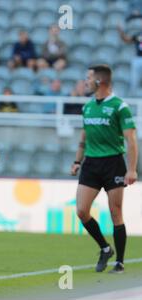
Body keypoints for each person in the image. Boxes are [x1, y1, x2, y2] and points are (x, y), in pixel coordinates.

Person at [71, 65, 138, 274]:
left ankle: (120, 261)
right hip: (91, 163)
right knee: (81, 211)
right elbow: (84, 136)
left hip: (113, 163)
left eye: (89, 78)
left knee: (115, 212)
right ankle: (105, 248)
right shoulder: (88, 107)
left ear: (100, 81)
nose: (86, 81)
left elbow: (131, 140)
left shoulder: (120, 107)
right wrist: (77, 161)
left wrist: (132, 169)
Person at [117, 23, 142, 96]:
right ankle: (133, 97)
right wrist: (121, 32)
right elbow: (126, 39)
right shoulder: (138, 35)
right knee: (134, 80)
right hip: (138, 58)